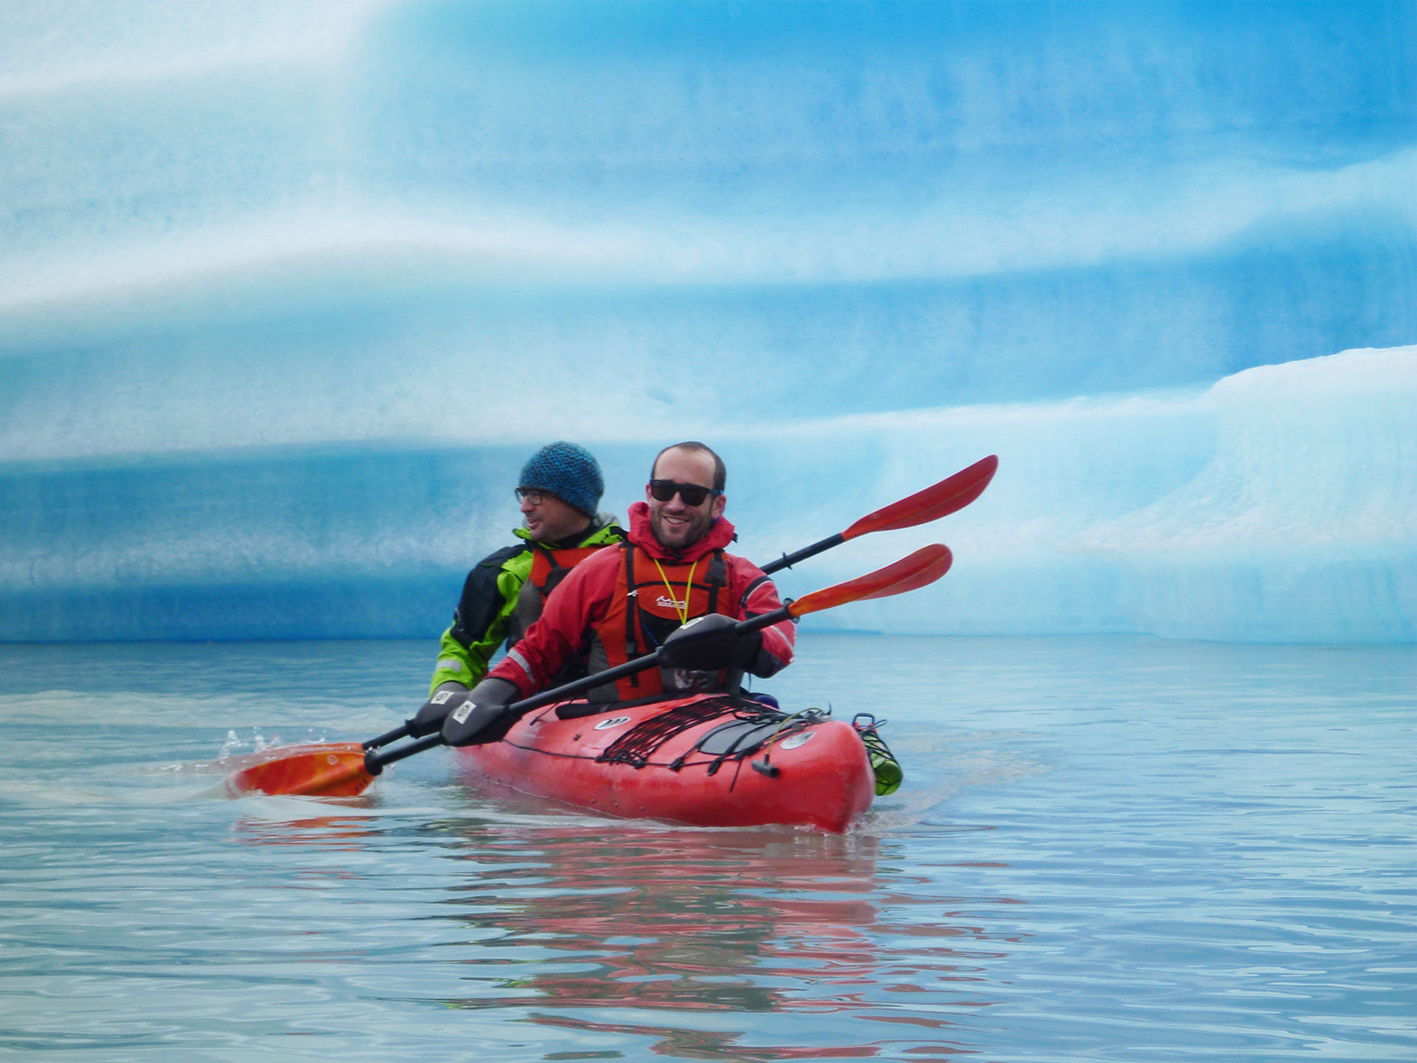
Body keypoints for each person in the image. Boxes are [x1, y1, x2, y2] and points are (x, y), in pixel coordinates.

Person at [448, 441, 796, 743]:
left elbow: (779, 643)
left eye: (692, 495)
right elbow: (539, 651)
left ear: (717, 505)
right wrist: (488, 696)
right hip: (610, 727)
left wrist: (743, 641)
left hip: (713, 725)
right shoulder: (600, 569)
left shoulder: (743, 576)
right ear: (649, 493)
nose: (675, 504)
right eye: (663, 490)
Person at [411, 442, 626, 734]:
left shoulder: (634, 560)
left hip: (621, 714)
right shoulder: (504, 571)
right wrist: (449, 693)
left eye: (536, 495)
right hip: (533, 712)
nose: (524, 507)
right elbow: (463, 650)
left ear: (572, 499)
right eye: (523, 495)